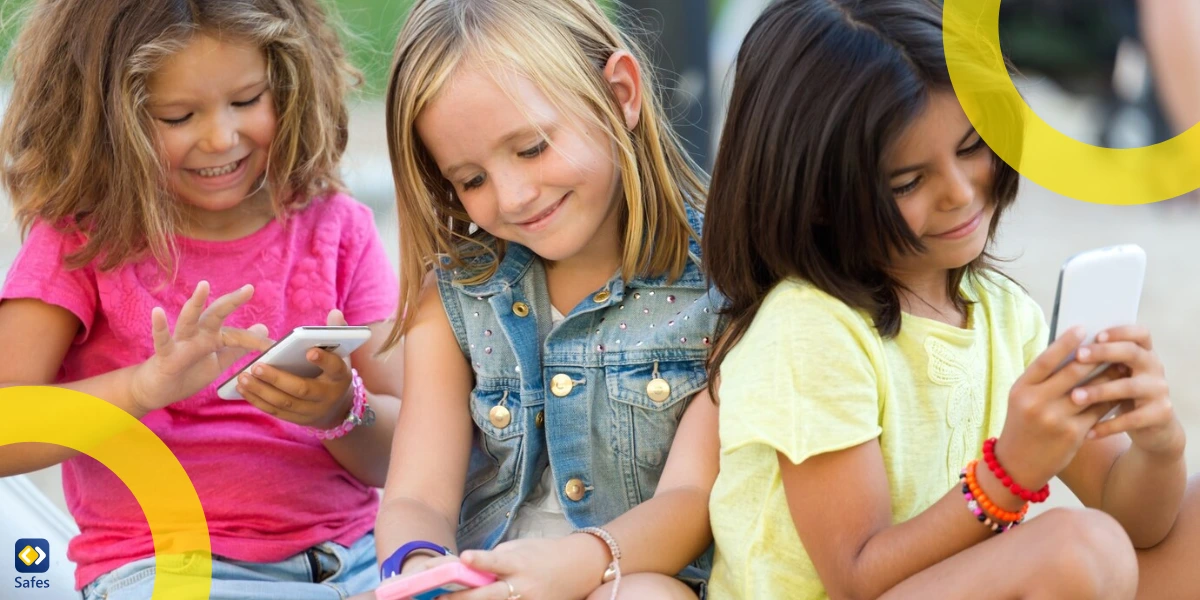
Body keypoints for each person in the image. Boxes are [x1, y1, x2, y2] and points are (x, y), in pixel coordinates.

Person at [701, 0, 1200, 598]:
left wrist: (1159, 439)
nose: (961, 193)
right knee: (1076, 551)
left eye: (971, 148)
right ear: (818, 198)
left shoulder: (1004, 315)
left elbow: (1140, 523)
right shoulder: (811, 329)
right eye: (908, 181)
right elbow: (855, 577)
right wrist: (1008, 472)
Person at [0, 1, 401, 598]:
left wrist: (341, 411)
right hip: (169, 572)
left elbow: (411, 451)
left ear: (290, 83)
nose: (221, 137)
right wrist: (141, 389)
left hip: (354, 563)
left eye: (246, 101)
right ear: (103, 122)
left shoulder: (337, 229)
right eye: (178, 115)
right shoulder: (80, 243)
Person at [373, 0, 723, 597]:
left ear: (620, 93)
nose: (511, 197)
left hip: (633, 575)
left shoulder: (721, 285)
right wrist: (421, 568)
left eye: (531, 148)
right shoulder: (457, 298)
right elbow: (417, 495)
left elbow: (692, 501)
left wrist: (576, 566)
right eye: (471, 180)